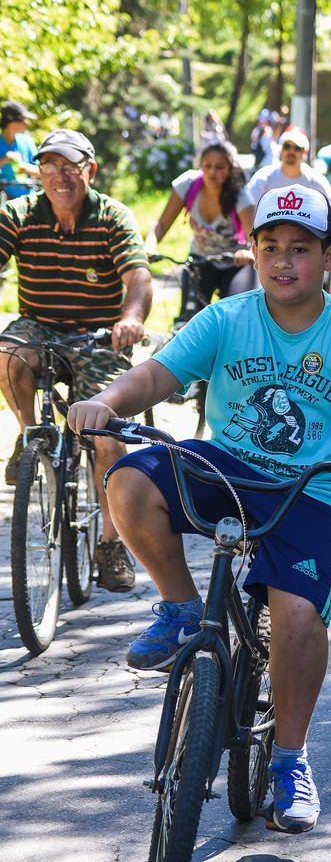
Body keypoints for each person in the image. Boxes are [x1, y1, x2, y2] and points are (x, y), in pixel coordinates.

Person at [67, 183, 331, 834]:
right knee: (129, 478)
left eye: (301, 249)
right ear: (252, 251)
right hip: (228, 467)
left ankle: (289, 757)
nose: (284, 261)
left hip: (314, 487)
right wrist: (107, 400)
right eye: (270, 247)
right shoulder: (230, 318)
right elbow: (154, 377)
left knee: (297, 621)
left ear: (329, 256)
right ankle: (179, 609)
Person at [0, 128, 152, 591]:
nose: (60, 177)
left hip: (97, 335)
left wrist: (130, 319)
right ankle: (30, 434)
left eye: (70, 166)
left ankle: (111, 543)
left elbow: (139, 279)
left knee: (104, 434)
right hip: (40, 325)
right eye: (50, 166)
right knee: (7, 356)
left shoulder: (112, 217)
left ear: (90, 169)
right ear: (39, 171)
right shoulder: (20, 213)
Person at [145, 141, 258, 300]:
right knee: (191, 313)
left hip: (235, 263)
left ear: (230, 170)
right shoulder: (187, 185)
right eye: (207, 165)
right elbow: (162, 223)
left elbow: (254, 238)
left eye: (219, 167)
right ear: (200, 166)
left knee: (234, 312)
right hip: (200, 260)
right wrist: (149, 246)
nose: (212, 172)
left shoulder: (240, 195)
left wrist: (247, 253)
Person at [246, 125, 331, 205]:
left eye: (297, 148)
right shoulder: (263, 178)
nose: (291, 151)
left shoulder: (315, 181)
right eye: (287, 146)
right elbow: (248, 207)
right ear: (281, 149)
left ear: (304, 153)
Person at [0, 101, 39, 199]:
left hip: (29, 198)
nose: (27, 123)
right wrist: (4, 161)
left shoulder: (27, 141)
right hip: (4, 199)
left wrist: (25, 168)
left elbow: (41, 171)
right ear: (11, 121)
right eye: (23, 119)